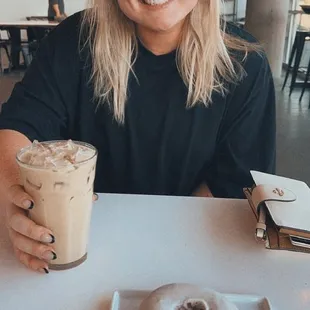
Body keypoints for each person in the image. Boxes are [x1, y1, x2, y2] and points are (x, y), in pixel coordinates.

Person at [0, 0, 276, 273]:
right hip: (83, 253)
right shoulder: (73, 41)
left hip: (194, 254)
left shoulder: (246, 64)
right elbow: (18, 126)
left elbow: (235, 185)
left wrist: (154, 247)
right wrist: (19, 202)